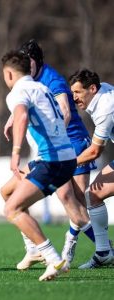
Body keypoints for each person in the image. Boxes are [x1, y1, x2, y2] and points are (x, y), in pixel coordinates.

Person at [1, 39, 96, 270]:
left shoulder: (49, 81)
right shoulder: (38, 86)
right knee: (8, 191)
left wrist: (16, 151)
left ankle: (64, 255)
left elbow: (60, 112)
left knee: (71, 202)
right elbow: (31, 111)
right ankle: (34, 249)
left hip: (62, 150)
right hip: (61, 153)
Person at [68, 69, 114, 269]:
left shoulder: (106, 107)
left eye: (78, 92)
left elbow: (94, 151)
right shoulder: (103, 92)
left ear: (92, 89)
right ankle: (103, 252)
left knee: (92, 195)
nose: (74, 98)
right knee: (94, 195)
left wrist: (66, 164)